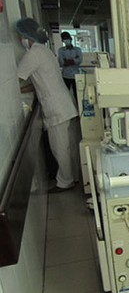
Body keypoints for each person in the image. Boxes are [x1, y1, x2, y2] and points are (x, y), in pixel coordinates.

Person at [16, 18, 80, 194]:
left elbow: (16, 79)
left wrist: (15, 91)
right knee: (70, 146)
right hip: (64, 104)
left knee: (60, 147)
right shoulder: (45, 51)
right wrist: (22, 90)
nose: (19, 39)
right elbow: (40, 82)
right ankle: (74, 177)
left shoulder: (33, 54)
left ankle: (65, 182)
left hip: (56, 108)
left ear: (25, 35)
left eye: (19, 35)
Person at [57, 31, 82, 102]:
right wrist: (74, 60)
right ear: (62, 40)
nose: (66, 40)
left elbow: (79, 60)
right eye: (64, 39)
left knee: (77, 94)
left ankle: (79, 109)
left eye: (67, 38)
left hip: (76, 75)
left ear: (71, 39)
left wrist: (67, 61)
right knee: (65, 94)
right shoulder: (61, 50)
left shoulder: (77, 49)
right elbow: (62, 63)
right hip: (66, 76)